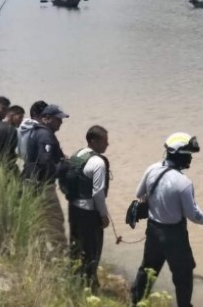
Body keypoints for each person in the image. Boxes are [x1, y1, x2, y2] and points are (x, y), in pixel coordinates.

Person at [130, 132, 203, 307]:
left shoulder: (152, 169)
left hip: (153, 230)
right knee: (183, 274)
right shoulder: (183, 182)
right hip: (175, 236)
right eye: (189, 155)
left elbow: (139, 194)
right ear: (179, 155)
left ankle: (136, 301)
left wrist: (158, 203)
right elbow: (193, 214)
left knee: (148, 269)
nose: (190, 159)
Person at [64, 125, 111, 292]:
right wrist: (104, 215)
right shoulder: (98, 162)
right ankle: (90, 284)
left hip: (74, 208)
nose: (108, 144)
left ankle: (74, 279)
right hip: (89, 213)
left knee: (76, 245)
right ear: (94, 141)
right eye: (105, 141)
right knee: (92, 250)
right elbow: (98, 192)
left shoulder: (79, 154)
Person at [22, 104, 69, 251]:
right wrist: (64, 166)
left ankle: (39, 256)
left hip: (32, 184)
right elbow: (46, 163)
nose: (61, 122)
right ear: (46, 118)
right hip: (43, 187)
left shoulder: (36, 132)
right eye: (58, 119)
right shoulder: (45, 135)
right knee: (55, 222)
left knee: (38, 223)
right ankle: (61, 259)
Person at [0, 105, 25, 174]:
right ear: (11, 115)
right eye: (20, 117)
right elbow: (10, 151)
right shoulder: (11, 130)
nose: (21, 120)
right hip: (6, 166)